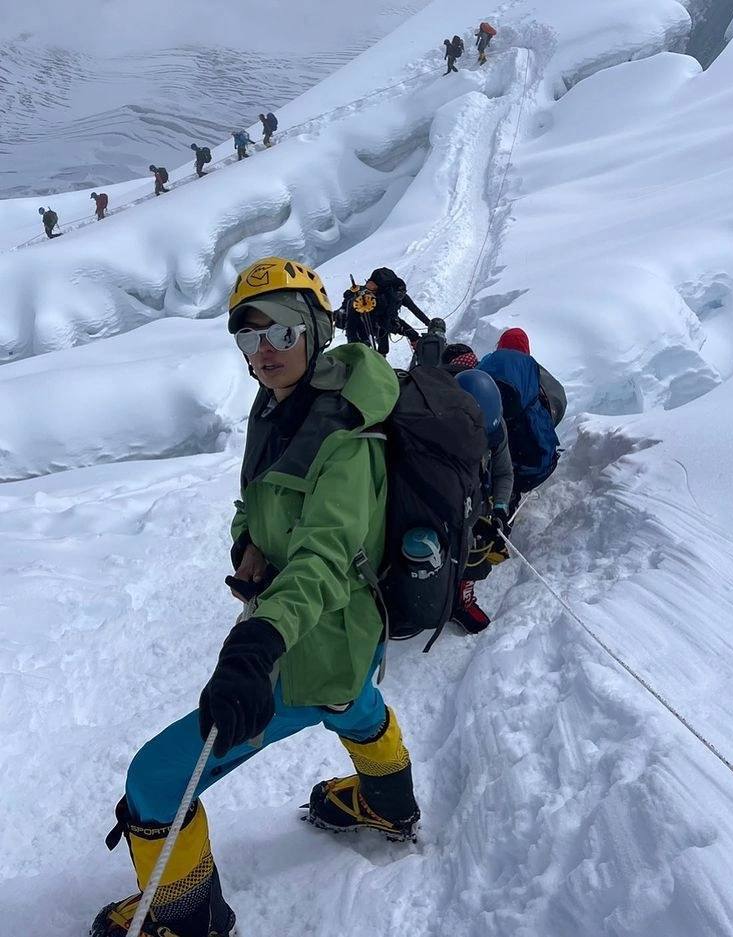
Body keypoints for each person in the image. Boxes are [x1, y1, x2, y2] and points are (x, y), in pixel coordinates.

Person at [91, 257, 420, 937]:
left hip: (312, 639)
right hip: (349, 636)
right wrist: (251, 541)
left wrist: (257, 643)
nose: (264, 353)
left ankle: (190, 917)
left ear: (315, 331)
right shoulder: (281, 406)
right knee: (355, 704)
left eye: (281, 334)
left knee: (156, 781)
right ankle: (391, 806)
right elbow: (262, 499)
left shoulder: (346, 439)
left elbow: (327, 556)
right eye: (249, 338)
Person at [450, 367, 513, 634]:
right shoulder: (440, 431)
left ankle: (461, 592)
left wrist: (499, 508)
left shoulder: (496, 428)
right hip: (448, 498)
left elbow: (503, 472)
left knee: (481, 542)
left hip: (475, 495)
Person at [479, 326, 566, 516]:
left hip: (482, 443)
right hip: (523, 454)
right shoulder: (530, 367)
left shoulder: (488, 361)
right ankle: (505, 509)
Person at [338, 267, 431, 356]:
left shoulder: (393, 297)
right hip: (368, 322)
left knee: (385, 346)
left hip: (384, 321)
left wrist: (428, 323)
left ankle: (381, 362)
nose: (401, 296)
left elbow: (415, 310)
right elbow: (353, 323)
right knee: (367, 347)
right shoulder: (379, 298)